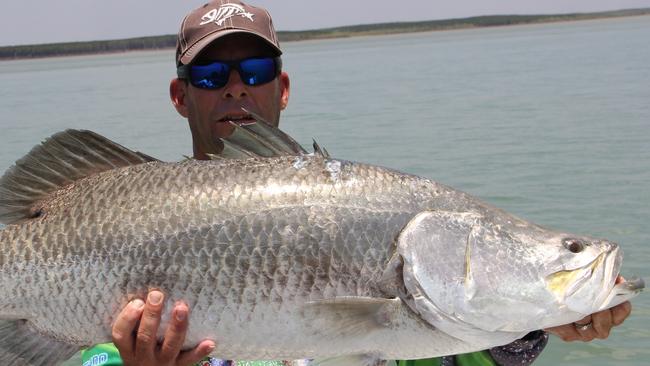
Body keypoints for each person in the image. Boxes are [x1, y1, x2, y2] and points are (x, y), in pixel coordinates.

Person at [80, 1, 632, 365]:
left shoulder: (378, 219)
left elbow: (425, 346)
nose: (235, 89)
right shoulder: (115, 207)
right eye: (209, 75)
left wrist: (532, 322)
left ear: (282, 87)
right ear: (181, 97)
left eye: (255, 73)